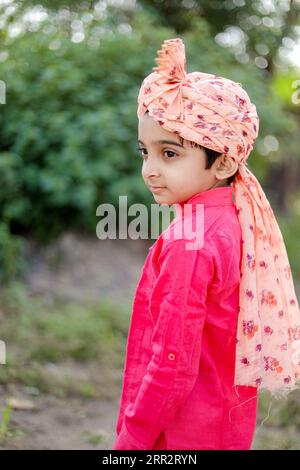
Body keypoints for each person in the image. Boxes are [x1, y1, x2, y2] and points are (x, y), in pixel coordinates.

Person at [112, 38, 300, 450]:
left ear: (225, 163)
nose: (150, 170)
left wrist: (132, 439)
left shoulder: (190, 241)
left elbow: (171, 364)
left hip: (180, 434)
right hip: (222, 425)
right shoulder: (230, 221)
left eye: (170, 154)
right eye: (145, 152)